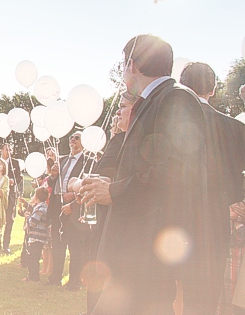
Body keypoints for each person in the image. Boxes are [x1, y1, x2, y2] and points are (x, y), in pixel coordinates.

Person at [81, 35, 208, 315]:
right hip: (135, 251)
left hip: (148, 251)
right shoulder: (154, 100)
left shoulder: (176, 98)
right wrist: (110, 184)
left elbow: (176, 172)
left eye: (123, 63)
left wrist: (115, 191)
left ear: (132, 64)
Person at [179, 62, 245, 313]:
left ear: (182, 87)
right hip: (216, 226)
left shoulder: (167, 126)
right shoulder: (236, 128)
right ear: (213, 89)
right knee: (206, 300)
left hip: (174, 225)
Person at [82, 90, 137, 315]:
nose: (117, 114)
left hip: (112, 224)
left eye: (122, 107)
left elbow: (99, 175)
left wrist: (79, 185)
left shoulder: (120, 142)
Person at [47, 131, 90, 290]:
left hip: (75, 207)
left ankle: (74, 282)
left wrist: (73, 195)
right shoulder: (62, 159)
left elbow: (87, 183)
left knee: (75, 246)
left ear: (83, 142)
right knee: (57, 243)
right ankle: (55, 277)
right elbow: (53, 184)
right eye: (71, 137)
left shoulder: (88, 161)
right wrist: (53, 175)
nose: (72, 139)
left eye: (77, 138)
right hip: (57, 204)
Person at [23, 187, 50, 282]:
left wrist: (28, 217)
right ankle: (33, 276)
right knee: (34, 256)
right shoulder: (43, 207)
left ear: (37, 196)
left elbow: (33, 222)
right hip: (38, 236)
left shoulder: (40, 209)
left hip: (38, 236)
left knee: (33, 257)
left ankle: (33, 277)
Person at [1, 143, 22, 254]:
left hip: (11, 195)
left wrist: (14, 181)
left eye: (10, 149)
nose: (8, 151)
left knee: (10, 219)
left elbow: (19, 177)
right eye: (6, 149)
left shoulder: (15, 163)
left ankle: (6, 244)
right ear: (1, 150)